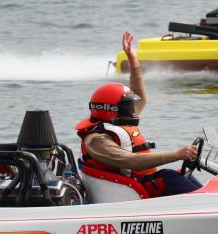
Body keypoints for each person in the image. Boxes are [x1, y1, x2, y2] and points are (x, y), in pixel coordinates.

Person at [74, 32, 202, 197]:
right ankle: (211, 202)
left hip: (141, 184)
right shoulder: (98, 140)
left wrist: (134, 63)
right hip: (129, 192)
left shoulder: (118, 122)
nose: (133, 110)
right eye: (128, 107)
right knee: (170, 177)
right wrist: (176, 155)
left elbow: (140, 97)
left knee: (182, 176)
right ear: (110, 110)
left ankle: (212, 197)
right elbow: (130, 160)